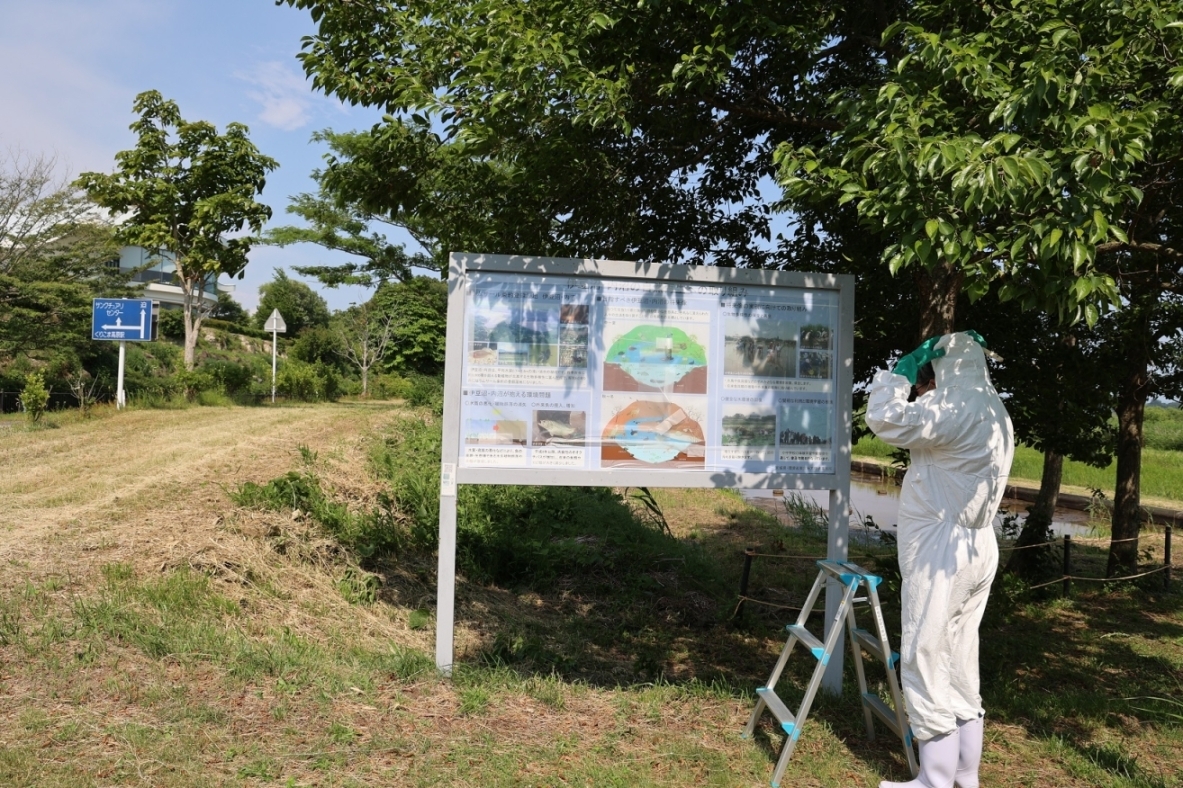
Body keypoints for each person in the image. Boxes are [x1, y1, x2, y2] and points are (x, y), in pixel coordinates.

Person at [866, 331, 1015, 788]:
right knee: (959, 659)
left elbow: (884, 419)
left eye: (925, 379)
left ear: (940, 372)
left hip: (942, 552)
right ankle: (965, 776)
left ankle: (933, 779)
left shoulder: (950, 407)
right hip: (977, 545)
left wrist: (897, 375)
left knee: (925, 654)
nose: (922, 389)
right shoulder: (995, 409)